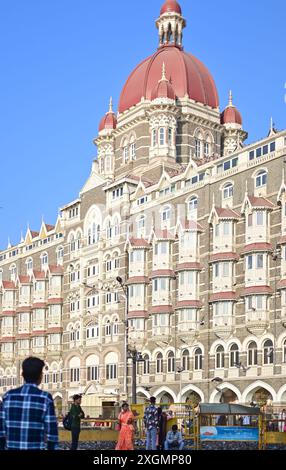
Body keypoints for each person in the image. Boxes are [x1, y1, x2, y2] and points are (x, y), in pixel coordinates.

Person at [0, 356, 58, 450]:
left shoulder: (8, 397)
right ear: (40, 376)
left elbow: (1, 432)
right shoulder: (45, 398)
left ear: (22, 374)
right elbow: (52, 434)